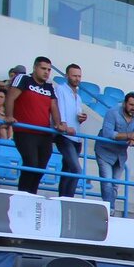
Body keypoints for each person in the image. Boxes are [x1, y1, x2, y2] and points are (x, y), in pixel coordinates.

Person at [4, 56, 70, 194]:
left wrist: (58, 124)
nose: (46, 72)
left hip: (44, 133)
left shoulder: (49, 86)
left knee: (41, 167)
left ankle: (31, 194)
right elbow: (10, 97)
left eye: (49, 70)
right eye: (43, 68)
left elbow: (54, 106)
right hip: (25, 131)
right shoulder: (23, 79)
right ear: (35, 67)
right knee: (31, 164)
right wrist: (9, 116)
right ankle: (22, 194)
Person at [97, 92, 134, 211]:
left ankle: (110, 208)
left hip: (120, 155)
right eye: (131, 105)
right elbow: (108, 133)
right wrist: (129, 135)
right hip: (104, 151)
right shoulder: (112, 112)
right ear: (125, 103)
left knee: (114, 185)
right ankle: (110, 210)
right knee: (107, 182)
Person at [52, 63, 88, 198]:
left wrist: (82, 118)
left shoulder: (78, 96)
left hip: (75, 136)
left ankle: (63, 198)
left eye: (79, 76)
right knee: (76, 170)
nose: (77, 78)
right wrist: (64, 126)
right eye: (74, 76)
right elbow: (60, 109)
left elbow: (77, 115)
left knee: (67, 170)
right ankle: (68, 199)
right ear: (67, 76)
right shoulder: (60, 89)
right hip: (64, 135)